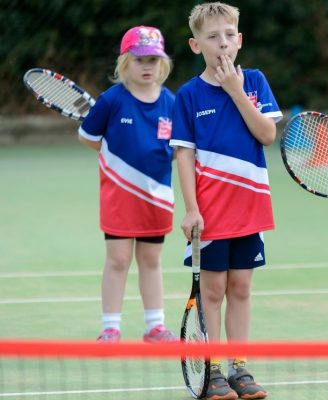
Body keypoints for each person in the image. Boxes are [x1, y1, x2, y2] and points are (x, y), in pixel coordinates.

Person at [170, 2, 282, 399]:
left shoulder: (254, 81)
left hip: (251, 208)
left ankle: (240, 367)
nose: (222, 43)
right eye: (212, 36)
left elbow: (267, 134)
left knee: (242, 289)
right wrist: (191, 208)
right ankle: (213, 368)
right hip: (211, 214)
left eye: (229, 35)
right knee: (212, 291)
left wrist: (236, 92)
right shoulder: (187, 95)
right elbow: (184, 154)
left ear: (240, 40)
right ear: (195, 44)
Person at [78, 26, 178, 343]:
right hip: (120, 196)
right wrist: (117, 159)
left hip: (157, 196)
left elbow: (178, 147)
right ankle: (110, 327)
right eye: (139, 60)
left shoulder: (171, 103)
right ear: (125, 63)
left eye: (153, 60)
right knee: (118, 260)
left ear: (162, 63)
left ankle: (155, 326)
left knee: (151, 260)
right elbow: (87, 137)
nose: (147, 66)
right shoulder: (111, 100)